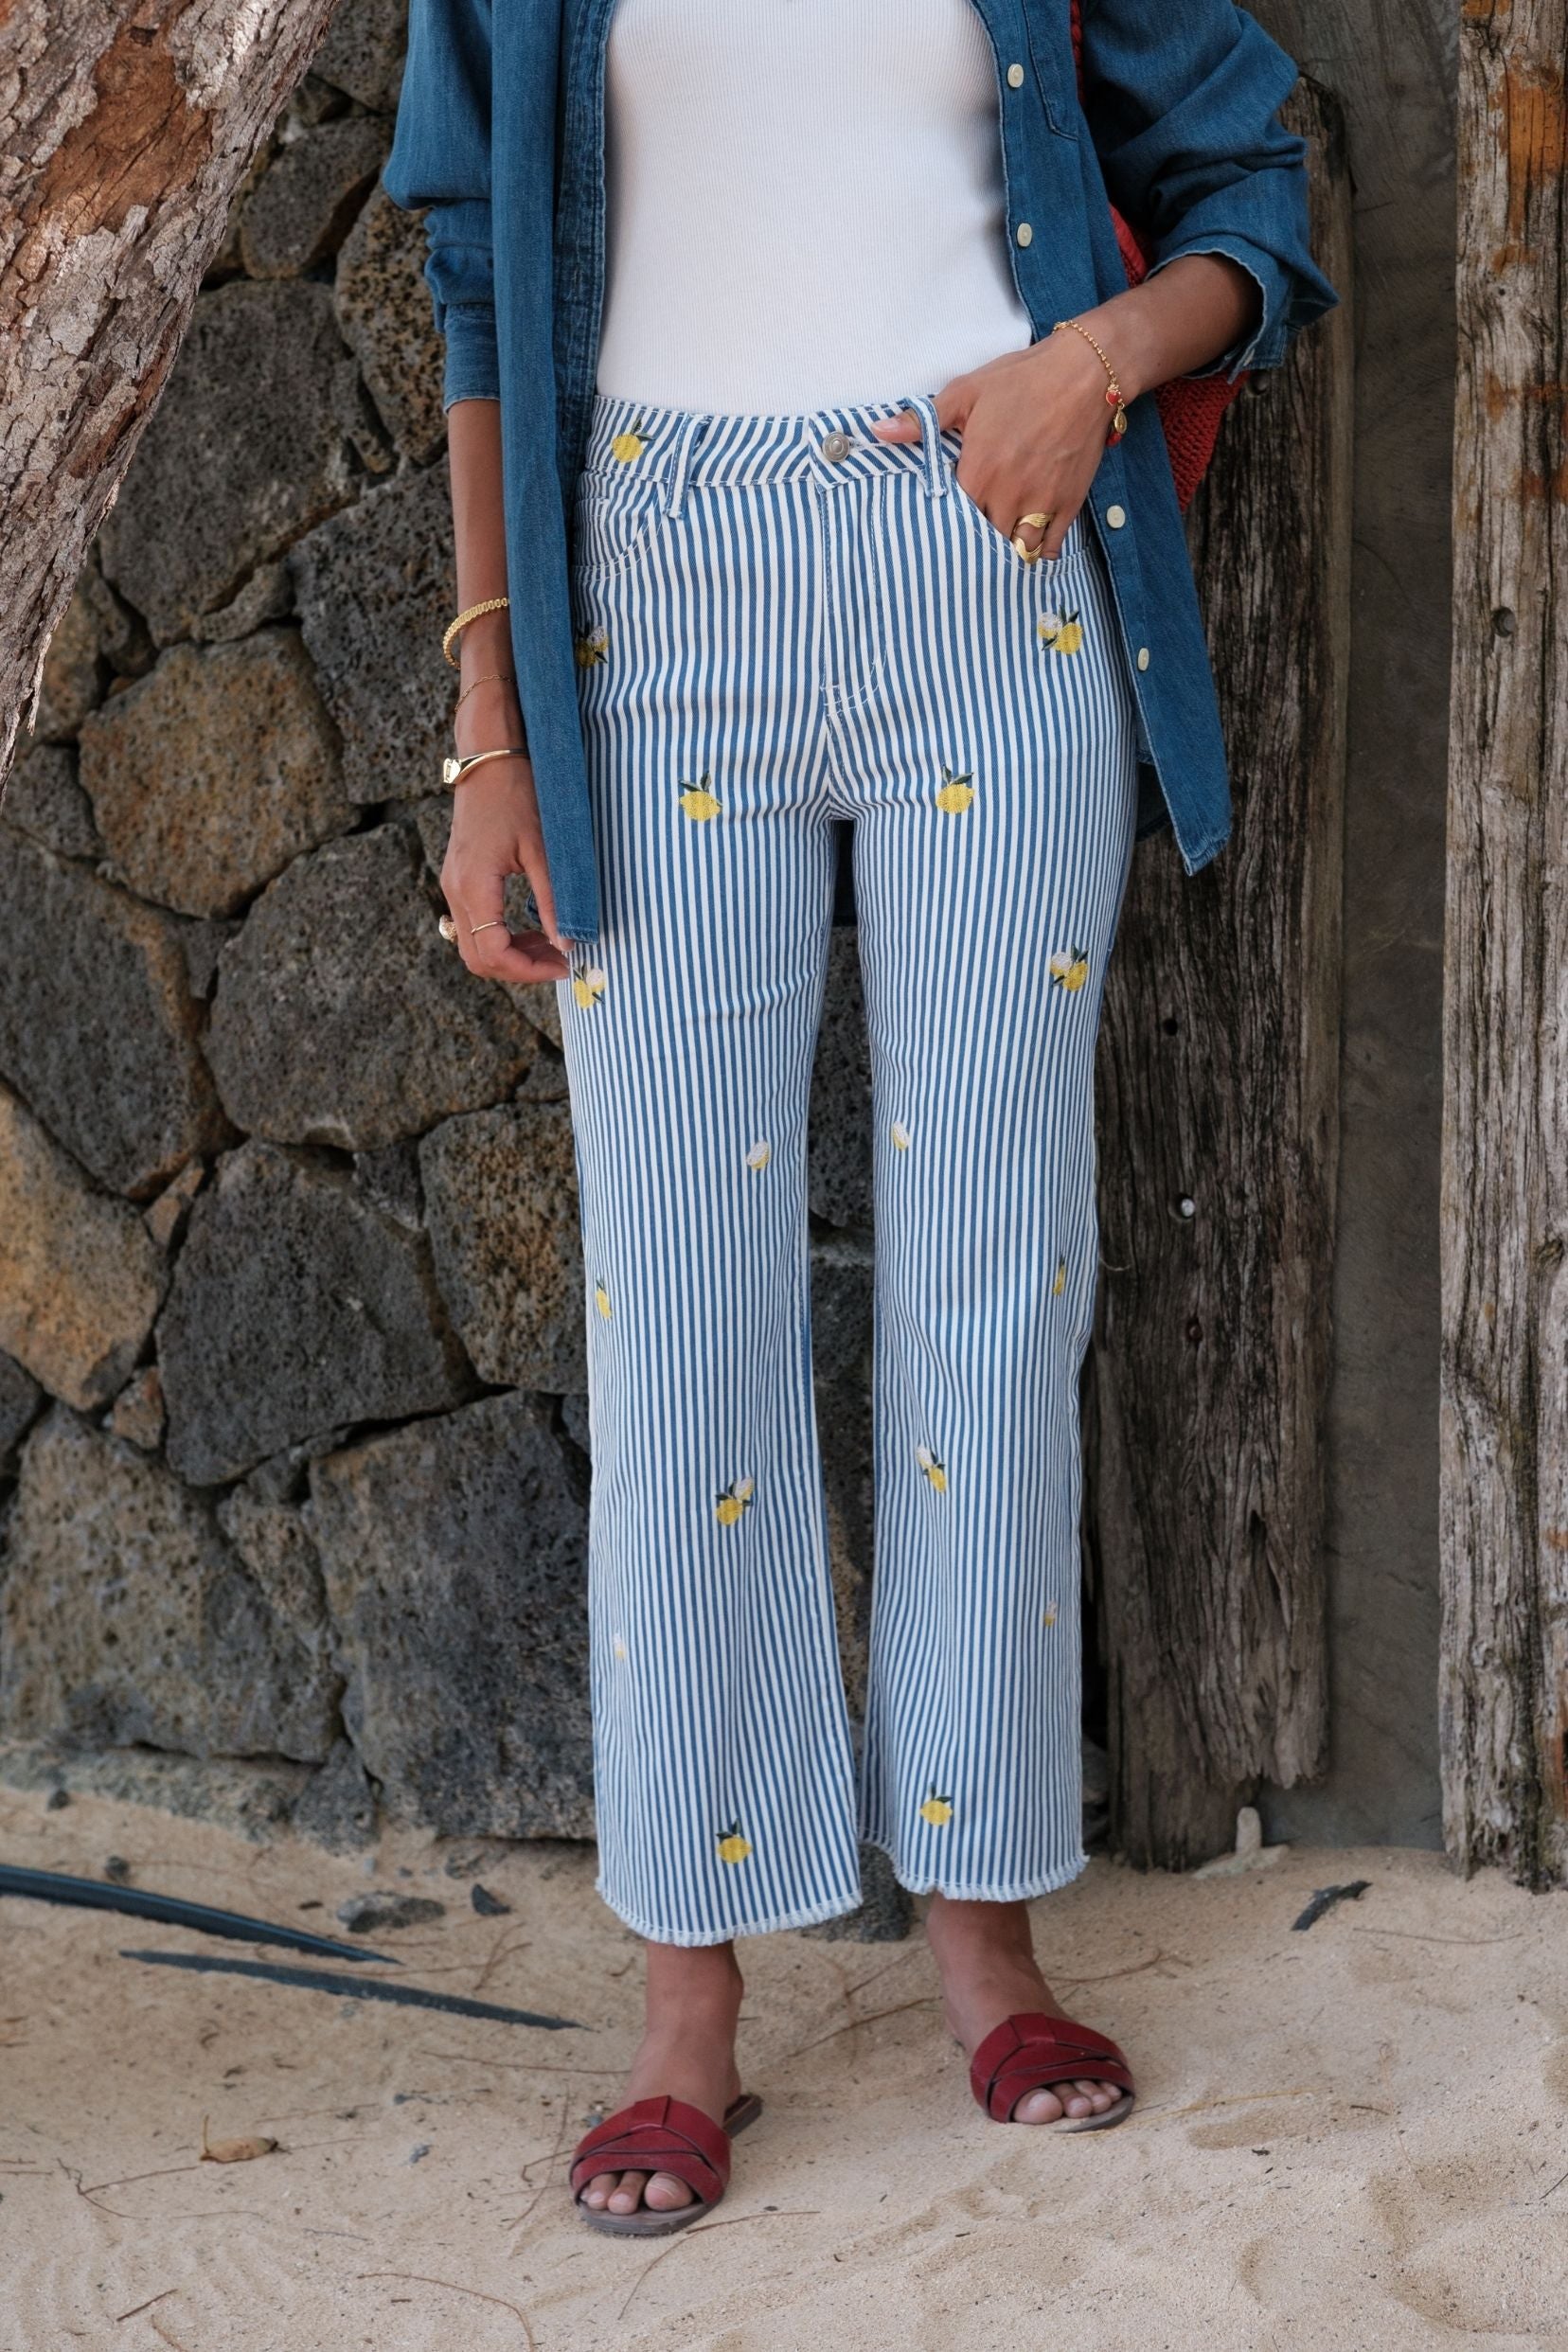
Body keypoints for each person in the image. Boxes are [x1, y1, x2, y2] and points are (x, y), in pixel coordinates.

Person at [384, 0, 1338, 2238]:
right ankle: (687, 2003)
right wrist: (491, 728)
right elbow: (474, 274)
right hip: (653, 580)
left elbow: (1257, 201)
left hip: (987, 570)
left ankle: (985, 1933)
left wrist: (1096, 361)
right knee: (674, 1298)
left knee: (998, 1264)